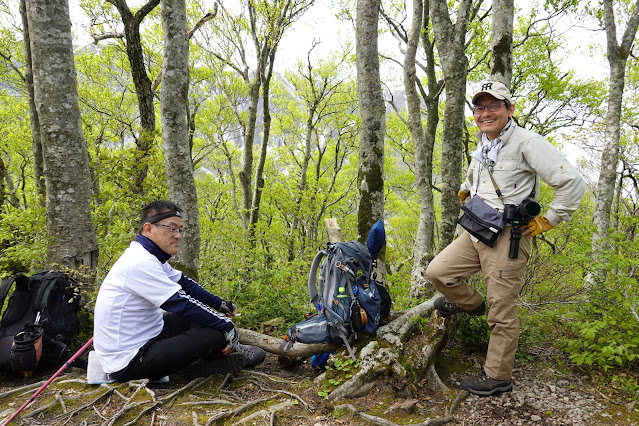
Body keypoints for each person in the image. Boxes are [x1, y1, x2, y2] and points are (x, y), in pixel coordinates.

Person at [426, 81, 585, 397]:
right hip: (478, 227)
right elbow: (480, 170)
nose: (486, 113)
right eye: (480, 108)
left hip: (510, 236)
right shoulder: (485, 141)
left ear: (509, 109)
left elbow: (572, 182)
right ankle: (471, 304)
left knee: (502, 312)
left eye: (493, 106)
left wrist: (549, 219)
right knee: (438, 272)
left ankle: (498, 376)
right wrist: (466, 187)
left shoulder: (527, 142)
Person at [93, 201, 265, 382]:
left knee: (197, 319)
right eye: (172, 228)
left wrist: (220, 304)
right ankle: (210, 361)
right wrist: (226, 325)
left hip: (147, 336)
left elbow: (184, 283)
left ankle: (207, 363)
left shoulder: (149, 256)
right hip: (128, 362)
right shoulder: (139, 262)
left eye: (180, 230)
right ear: (148, 229)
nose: (178, 236)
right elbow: (180, 303)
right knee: (214, 333)